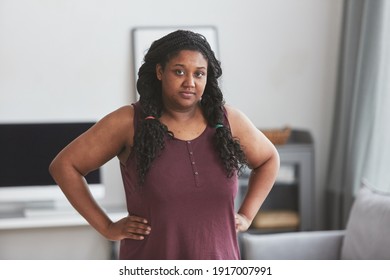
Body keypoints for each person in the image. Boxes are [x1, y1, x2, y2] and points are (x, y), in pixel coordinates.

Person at [49, 30, 279, 260]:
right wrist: (106, 227)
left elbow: (269, 159)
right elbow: (65, 165)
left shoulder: (229, 121)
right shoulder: (128, 122)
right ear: (160, 72)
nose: (190, 82)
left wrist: (247, 215)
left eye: (199, 74)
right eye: (179, 71)